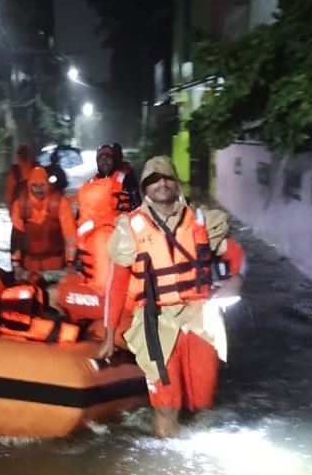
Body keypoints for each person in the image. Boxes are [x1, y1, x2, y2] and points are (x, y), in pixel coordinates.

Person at [97, 155, 245, 438]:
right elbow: (116, 285)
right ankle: (164, 452)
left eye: (167, 178)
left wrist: (237, 277)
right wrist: (108, 337)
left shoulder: (202, 221)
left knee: (202, 401)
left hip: (199, 317)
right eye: (153, 180)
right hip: (155, 323)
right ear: (143, 190)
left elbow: (234, 252)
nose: (161, 184)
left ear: (177, 183)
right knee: (167, 406)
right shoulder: (129, 228)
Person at [56, 176, 119, 330]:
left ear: (90, 205)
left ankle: (70, 331)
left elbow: (104, 287)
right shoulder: (104, 227)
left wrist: (83, 290)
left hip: (106, 302)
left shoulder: (101, 236)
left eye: (81, 203)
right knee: (66, 280)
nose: (78, 205)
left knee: (54, 293)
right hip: (103, 294)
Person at [10, 165, 77, 275]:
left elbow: (70, 236)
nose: (39, 189)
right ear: (29, 186)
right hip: (28, 267)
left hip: (55, 266)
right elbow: (17, 238)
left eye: (42, 185)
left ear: (47, 185)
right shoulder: (20, 205)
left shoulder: (60, 203)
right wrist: (16, 264)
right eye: (35, 185)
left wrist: (70, 263)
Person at [95, 143, 141, 212]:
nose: (104, 161)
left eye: (108, 158)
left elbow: (137, 202)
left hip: (123, 218)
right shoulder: (92, 183)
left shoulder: (126, 179)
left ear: (113, 160)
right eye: (101, 159)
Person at [3, 142, 38, 211]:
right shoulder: (37, 168)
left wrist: (11, 209)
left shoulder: (14, 170)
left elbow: (9, 194)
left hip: (20, 209)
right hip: (35, 208)